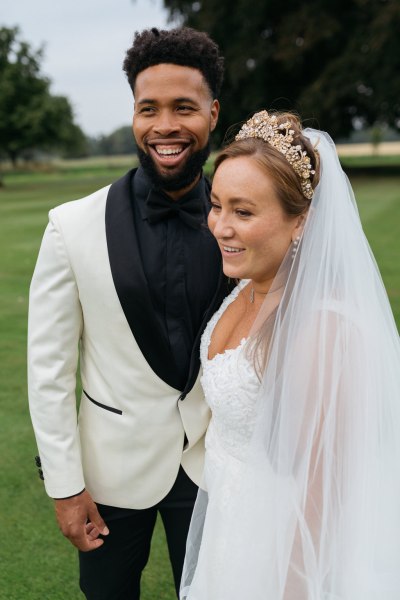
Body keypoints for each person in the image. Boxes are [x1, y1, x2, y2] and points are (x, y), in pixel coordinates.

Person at [28, 27, 229, 600]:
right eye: (149, 108)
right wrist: (66, 488)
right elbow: (47, 373)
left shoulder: (243, 219)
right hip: (110, 473)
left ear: (212, 113)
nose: (165, 125)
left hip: (217, 466)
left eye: (184, 107)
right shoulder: (70, 227)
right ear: (135, 115)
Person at [180, 110, 400, 599]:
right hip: (229, 526)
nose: (220, 226)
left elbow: (323, 495)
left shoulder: (319, 329)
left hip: (279, 551)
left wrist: (293, 585)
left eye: (244, 211)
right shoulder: (246, 288)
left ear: (300, 221)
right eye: (216, 205)